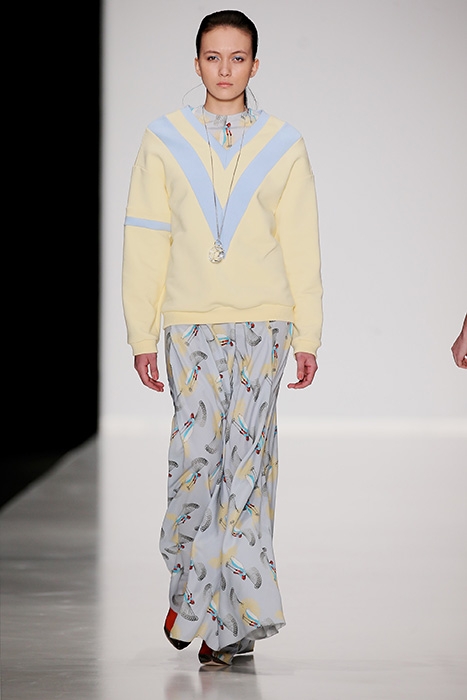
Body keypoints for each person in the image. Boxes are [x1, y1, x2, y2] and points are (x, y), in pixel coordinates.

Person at [122, 9, 323, 665]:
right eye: (213, 57)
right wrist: (141, 331)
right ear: (197, 63)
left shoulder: (283, 143)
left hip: (265, 324)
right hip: (189, 323)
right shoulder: (162, 139)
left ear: (254, 66)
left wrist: (309, 332)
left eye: (238, 58)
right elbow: (146, 239)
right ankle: (191, 590)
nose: (225, 69)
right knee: (194, 463)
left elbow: (300, 243)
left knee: (246, 469)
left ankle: (231, 623)